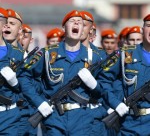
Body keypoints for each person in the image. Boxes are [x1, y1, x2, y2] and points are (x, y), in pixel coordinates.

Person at [19, 10, 106, 135]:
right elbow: (24, 76)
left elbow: (105, 88)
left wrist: (94, 85)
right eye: (72, 21)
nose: (76, 23)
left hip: (82, 119)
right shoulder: (47, 53)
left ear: (83, 29)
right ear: (64, 27)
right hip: (54, 118)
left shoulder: (94, 56)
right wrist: (39, 102)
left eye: (80, 23)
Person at [0, 7, 24, 135]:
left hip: (8, 116)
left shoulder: (18, 54)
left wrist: (15, 83)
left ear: (4, 26)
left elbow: (28, 87)